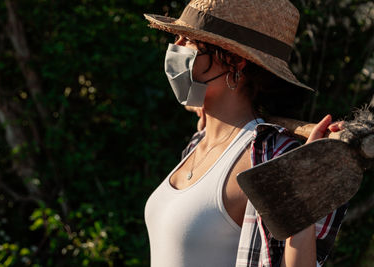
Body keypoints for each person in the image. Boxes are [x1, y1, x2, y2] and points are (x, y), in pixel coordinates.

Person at [143, 1, 347, 266]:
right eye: (178, 37)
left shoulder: (272, 158)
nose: (176, 48)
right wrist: (209, 114)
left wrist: (302, 190)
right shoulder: (198, 143)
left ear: (235, 60)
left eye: (190, 40)